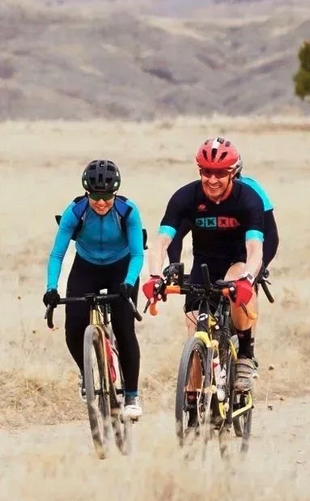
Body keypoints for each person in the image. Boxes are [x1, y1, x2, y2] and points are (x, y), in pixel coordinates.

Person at [143, 137, 269, 393]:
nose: (212, 180)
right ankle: (193, 401)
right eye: (206, 172)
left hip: (237, 260)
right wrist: (155, 276)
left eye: (220, 173)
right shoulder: (185, 197)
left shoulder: (248, 199)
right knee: (195, 335)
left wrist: (247, 278)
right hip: (204, 264)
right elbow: (162, 242)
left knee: (236, 285)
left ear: (232, 172)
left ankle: (244, 355)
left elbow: (256, 248)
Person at [43, 159, 147, 419]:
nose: (101, 202)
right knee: (73, 328)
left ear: (115, 192)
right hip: (86, 267)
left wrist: (129, 282)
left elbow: (137, 254)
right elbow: (57, 254)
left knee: (124, 329)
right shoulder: (75, 212)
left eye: (107, 196)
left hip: (120, 268)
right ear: (87, 193)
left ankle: (132, 395)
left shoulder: (128, 211)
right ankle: (86, 374)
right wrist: (51, 288)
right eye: (96, 196)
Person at [167, 139, 279, 281]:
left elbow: (270, 235)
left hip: (242, 259)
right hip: (208, 259)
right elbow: (178, 232)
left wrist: (260, 267)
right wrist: (174, 264)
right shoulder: (202, 194)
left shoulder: (252, 192)